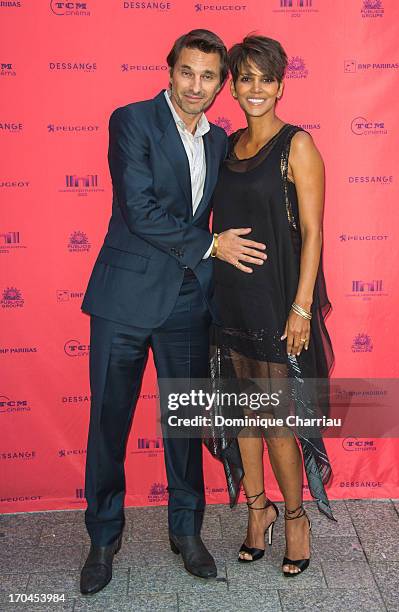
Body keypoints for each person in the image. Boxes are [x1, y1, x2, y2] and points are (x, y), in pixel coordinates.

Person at [79, 29, 267, 595]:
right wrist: (213, 246)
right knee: (110, 423)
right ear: (170, 70)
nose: (196, 86)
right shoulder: (132, 120)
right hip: (124, 299)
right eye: (187, 72)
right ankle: (103, 537)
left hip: (188, 300)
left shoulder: (219, 141)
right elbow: (137, 209)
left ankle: (186, 531)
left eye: (209, 76)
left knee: (183, 424)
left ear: (221, 84)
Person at [205, 34, 336, 577]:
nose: (255, 88)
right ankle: (257, 514)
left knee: (277, 418)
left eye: (266, 78)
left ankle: (296, 517)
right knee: (243, 415)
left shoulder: (296, 145)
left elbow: (312, 231)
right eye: (245, 78)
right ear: (232, 86)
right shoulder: (225, 145)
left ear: (282, 84)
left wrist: (301, 308)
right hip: (227, 299)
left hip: (278, 302)